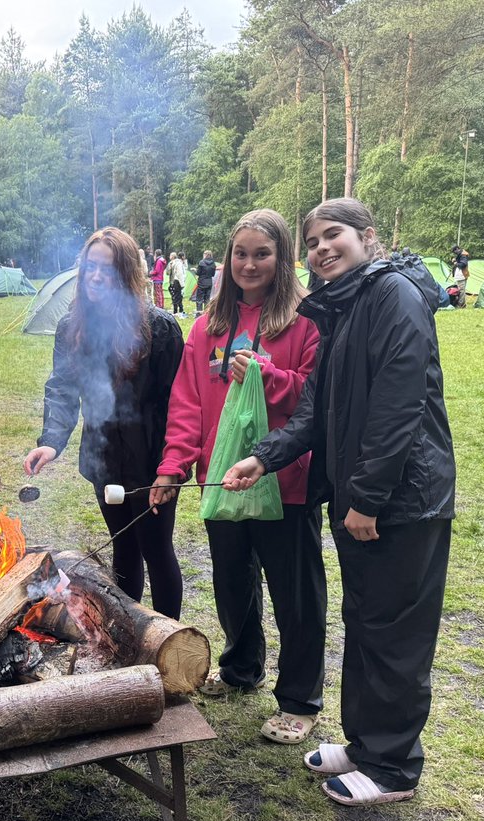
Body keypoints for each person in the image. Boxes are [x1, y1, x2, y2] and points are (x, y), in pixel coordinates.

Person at [223, 198, 455, 807]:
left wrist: (369, 499)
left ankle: (394, 768)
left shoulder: (393, 298)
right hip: (366, 500)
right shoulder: (346, 309)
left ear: (368, 238)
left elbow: (398, 408)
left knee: (395, 635)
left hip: (402, 504)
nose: (323, 247)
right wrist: (264, 457)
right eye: (315, 240)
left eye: (335, 235)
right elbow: (315, 411)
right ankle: (365, 743)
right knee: (366, 623)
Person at [151, 210, 325, 744]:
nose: (249, 264)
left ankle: (299, 699)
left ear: (283, 260)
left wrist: (270, 376)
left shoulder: (306, 323)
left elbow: (317, 401)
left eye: (262, 254)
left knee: (295, 595)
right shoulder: (207, 328)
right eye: (240, 254)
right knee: (232, 582)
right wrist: (173, 466)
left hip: (286, 483)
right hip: (222, 480)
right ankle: (242, 667)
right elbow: (187, 406)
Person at [25, 227, 185, 618]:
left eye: (108, 270)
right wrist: (51, 440)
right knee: (123, 546)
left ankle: (168, 639)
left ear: (127, 275)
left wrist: (171, 467)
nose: (96, 276)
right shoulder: (70, 327)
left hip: (152, 463)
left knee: (157, 550)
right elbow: (62, 387)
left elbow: (179, 405)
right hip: (104, 458)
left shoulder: (160, 329)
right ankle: (131, 635)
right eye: (90, 267)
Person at [194, 250, 216, 318]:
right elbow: (213, 274)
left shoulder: (201, 262)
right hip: (209, 282)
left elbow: (198, 273)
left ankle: (199, 314)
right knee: (207, 299)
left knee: (199, 299)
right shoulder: (213, 264)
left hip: (202, 282)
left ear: (205, 255)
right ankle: (206, 314)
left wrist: (195, 270)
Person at [167, 251, 186, 317]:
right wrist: (182, 284)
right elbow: (180, 273)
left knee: (176, 296)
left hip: (174, 281)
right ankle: (179, 310)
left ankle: (178, 310)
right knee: (178, 296)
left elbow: (168, 272)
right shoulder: (179, 263)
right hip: (178, 281)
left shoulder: (174, 263)